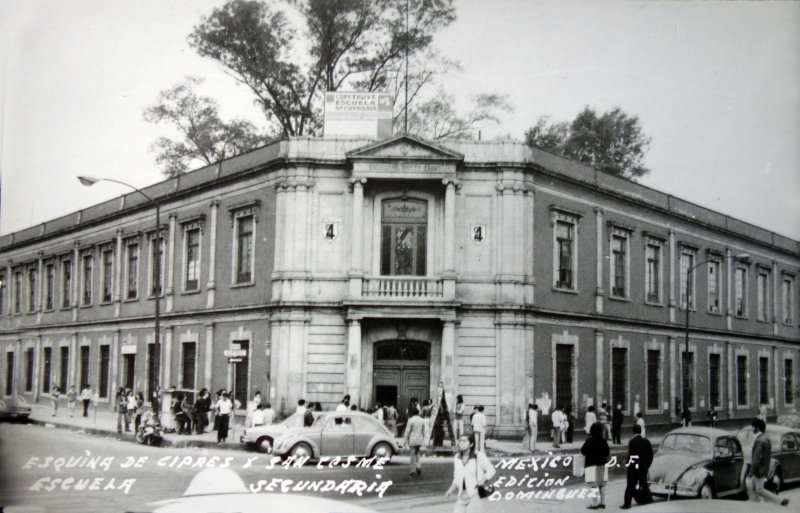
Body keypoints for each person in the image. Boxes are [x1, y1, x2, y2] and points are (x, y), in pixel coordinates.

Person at [445, 434, 497, 513]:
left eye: (464, 441)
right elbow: (457, 478)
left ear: (471, 444)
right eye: (460, 441)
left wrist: (483, 478)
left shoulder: (478, 456)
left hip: (474, 495)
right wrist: (451, 490)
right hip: (461, 496)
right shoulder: (457, 458)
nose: (461, 443)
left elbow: (491, 470)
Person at [748, 418, 790, 506]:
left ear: (757, 428)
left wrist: (751, 471)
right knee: (751, 488)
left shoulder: (760, 440)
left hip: (758, 469)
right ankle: (754, 504)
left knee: (758, 490)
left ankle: (780, 501)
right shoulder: (765, 438)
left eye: (753, 427)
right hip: (762, 468)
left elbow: (756, 458)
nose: (752, 429)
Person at [621, 423, 653, 509]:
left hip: (633, 468)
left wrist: (627, 463)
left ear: (633, 431)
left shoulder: (632, 441)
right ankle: (650, 500)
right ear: (640, 431)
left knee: (630, 485)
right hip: (643, 467)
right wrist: (647, 465)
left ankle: (627, 504)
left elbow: (631, 455)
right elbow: (651, 455)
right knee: (644, 484)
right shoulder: (646, 441)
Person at [581, 422, 610, 510]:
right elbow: (607, 452)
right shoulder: (603, 440)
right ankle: (602, 503)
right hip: (602, 465)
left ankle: (594, 503)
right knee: (602, 484)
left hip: (591, 466)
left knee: (593, 485)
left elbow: (583, 451)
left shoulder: (589, 440)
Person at [404, 407, 425, 476]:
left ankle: (413, 470)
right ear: (418, 413)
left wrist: (405, 440)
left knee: (412, 454)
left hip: (412, 439)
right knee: (417, 453)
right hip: (419, 439)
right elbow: (424, 431)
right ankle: (418, 466)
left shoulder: (410, 420)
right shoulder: (422, 420)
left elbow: (407, 431)